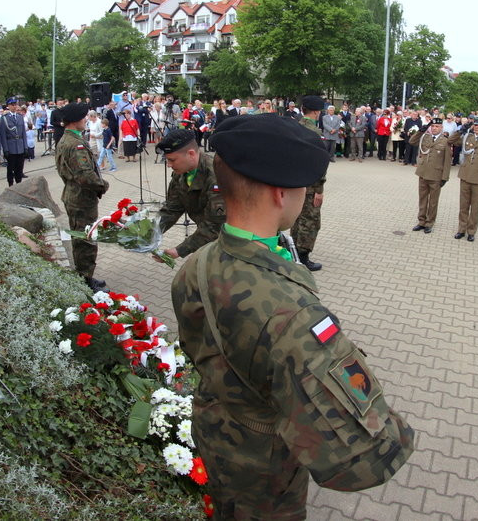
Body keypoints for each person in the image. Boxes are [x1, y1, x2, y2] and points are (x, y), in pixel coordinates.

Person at [171, 114, 414, 519]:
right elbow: (369, 460)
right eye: (304, 185)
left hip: (216, 435)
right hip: (265, 470)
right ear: (281, 194)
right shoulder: (291, 313)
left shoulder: (196, 263)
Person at [55, 102, 109, 292]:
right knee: (86, 240)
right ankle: (85, 280)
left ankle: (84, 276)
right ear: (75, 120)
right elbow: (85, 175)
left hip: (74, 195)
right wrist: (103, 185)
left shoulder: (67, 139)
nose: (86, 119)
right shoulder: (75, 143)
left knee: (81, 237)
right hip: (81, 198)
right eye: (84, 117)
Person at [155, 129, 226, 262]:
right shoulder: (181, 172)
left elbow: (215, 226)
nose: (168, 165)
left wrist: (179, 250)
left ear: (191, 154)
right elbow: (172, 208)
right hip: (209, 238)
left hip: (231, 241)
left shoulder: (216, 176)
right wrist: (148, 232)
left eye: (172, 160)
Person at [291, 96, 327, 270]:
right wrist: (319, 189)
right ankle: (303, 257)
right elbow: (319, 163)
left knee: (297, 217)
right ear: (316, 112)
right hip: (310, 184)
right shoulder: (314, 132)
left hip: (293, 182)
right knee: (311, 220)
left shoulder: (294, 126)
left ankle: (293, 252)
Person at [447, 116, 478, 241]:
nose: (477, 127)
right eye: (475, 125)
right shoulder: (468, 137)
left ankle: (471, 231)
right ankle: (461, 229)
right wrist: (461, 130)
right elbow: (450, 141)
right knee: (463, 205)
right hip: (465, 176)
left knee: (475, 207)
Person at [408, 117, 451, 233]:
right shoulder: (425, 137)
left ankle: (430, 222)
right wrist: (421, 131)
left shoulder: (445, 140)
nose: (434, 128)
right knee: (422, 199)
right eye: (432, 126)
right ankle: (421, 221)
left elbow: (447, 161)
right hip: (423, 173)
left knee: (433, 201)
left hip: (436, 175)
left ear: (441, 128)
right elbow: (412, 141)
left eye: (437, 126)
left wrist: (445, 177)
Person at [0, 98, 28, 187]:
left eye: (15, 104)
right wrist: (5, 149)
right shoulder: (4, 119)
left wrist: (25, 146)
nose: (14, 106)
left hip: (20, 146)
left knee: (19, 168)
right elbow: (3, 135)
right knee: (10, 169)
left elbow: (23, 134)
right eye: (12, 105)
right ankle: (11, 185)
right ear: (8, 106)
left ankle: (19, 185)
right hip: (11, 147)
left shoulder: (20, 117)